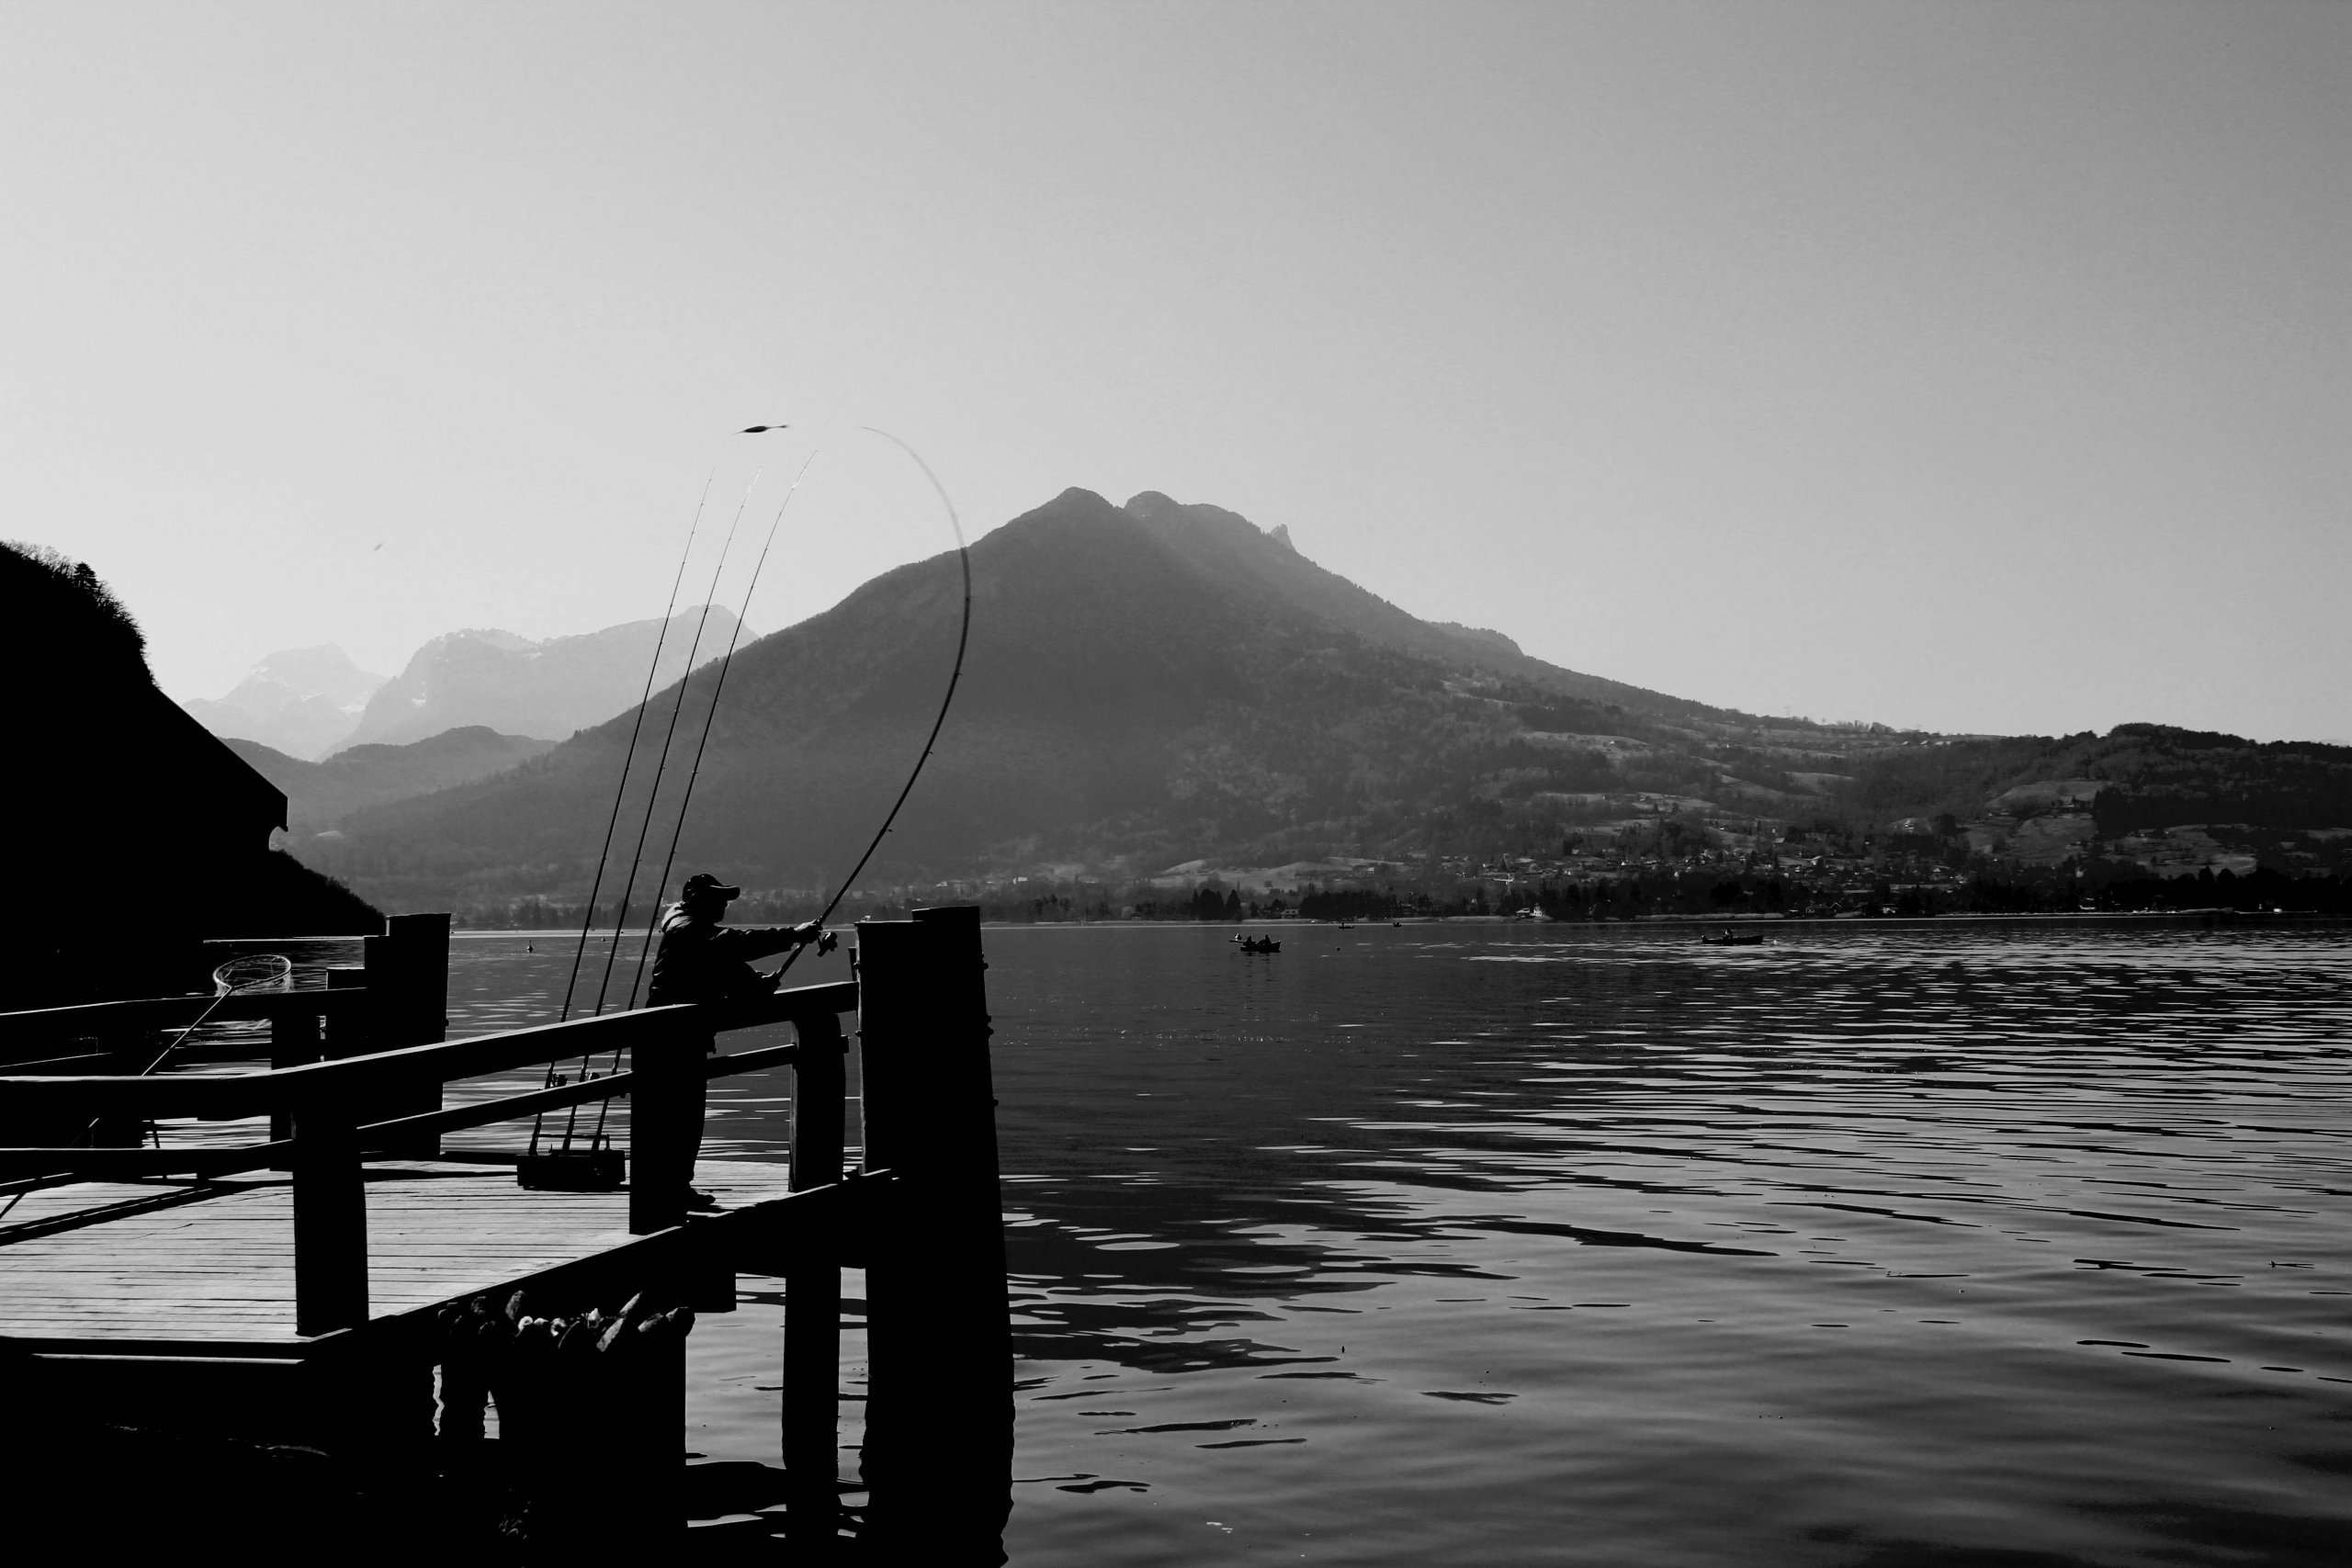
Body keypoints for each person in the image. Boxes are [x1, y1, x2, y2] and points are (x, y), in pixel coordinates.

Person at [640, 874, 831, 1211]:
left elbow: (724, 965)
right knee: (677, 1117)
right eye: (718, 898)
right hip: (670, 1037)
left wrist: (755, 984)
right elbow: (729, 945)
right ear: (696, 898)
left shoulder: (694, 932)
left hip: (685, 1036)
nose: (724, 904)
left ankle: (674, 1187)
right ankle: (667, 1191)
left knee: (685, 1117)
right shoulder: (687, 928)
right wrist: (792, 935)